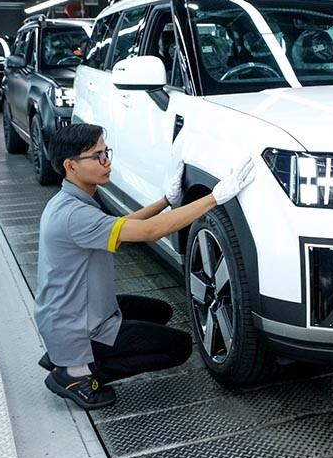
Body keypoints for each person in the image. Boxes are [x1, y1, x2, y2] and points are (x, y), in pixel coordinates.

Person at [34, 123, 254, 410]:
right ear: (70, 165)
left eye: (106, 152)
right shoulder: (75, 215)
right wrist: (214, 198)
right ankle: (76, 373)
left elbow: (123, 225)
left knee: (159, 312)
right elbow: (150, 231)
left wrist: (166, 201)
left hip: (73, 310)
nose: (107, 161)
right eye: (97, 156)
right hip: (77, 325)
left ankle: (62, 355)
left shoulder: (67, 201)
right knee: (178, 348)